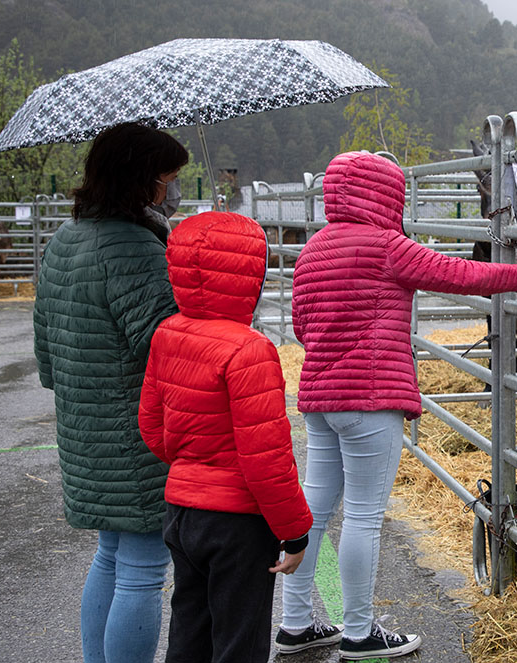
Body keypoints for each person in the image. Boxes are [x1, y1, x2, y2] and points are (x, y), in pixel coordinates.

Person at [277, 150, 517, 660]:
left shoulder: (313, 250)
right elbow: (457, 274)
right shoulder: (386, 245)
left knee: (314, 511)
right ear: (384, 194)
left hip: (320, 399)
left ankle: (295, 623)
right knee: (363, 516)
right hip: (371, 399)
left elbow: (300, 327)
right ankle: (359, 632)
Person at [32, 122, 188, 663]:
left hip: (83, 431)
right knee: (143, 573)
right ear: (141, 180)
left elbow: (46, 354)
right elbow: (166, 347)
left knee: (110, 557)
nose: (171, 191)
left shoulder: (63, 241)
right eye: (167, 179)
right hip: (136, 439)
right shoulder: (133, 248)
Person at [138, 211, 313, 663]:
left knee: (190, 629)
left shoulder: (167, 333)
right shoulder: (249, 349)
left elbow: (152, 428)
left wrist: (192, 467)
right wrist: (294, 533)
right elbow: (266, 459)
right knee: (240, 640)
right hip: (237, 521)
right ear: (249, 275)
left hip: (180, 511)